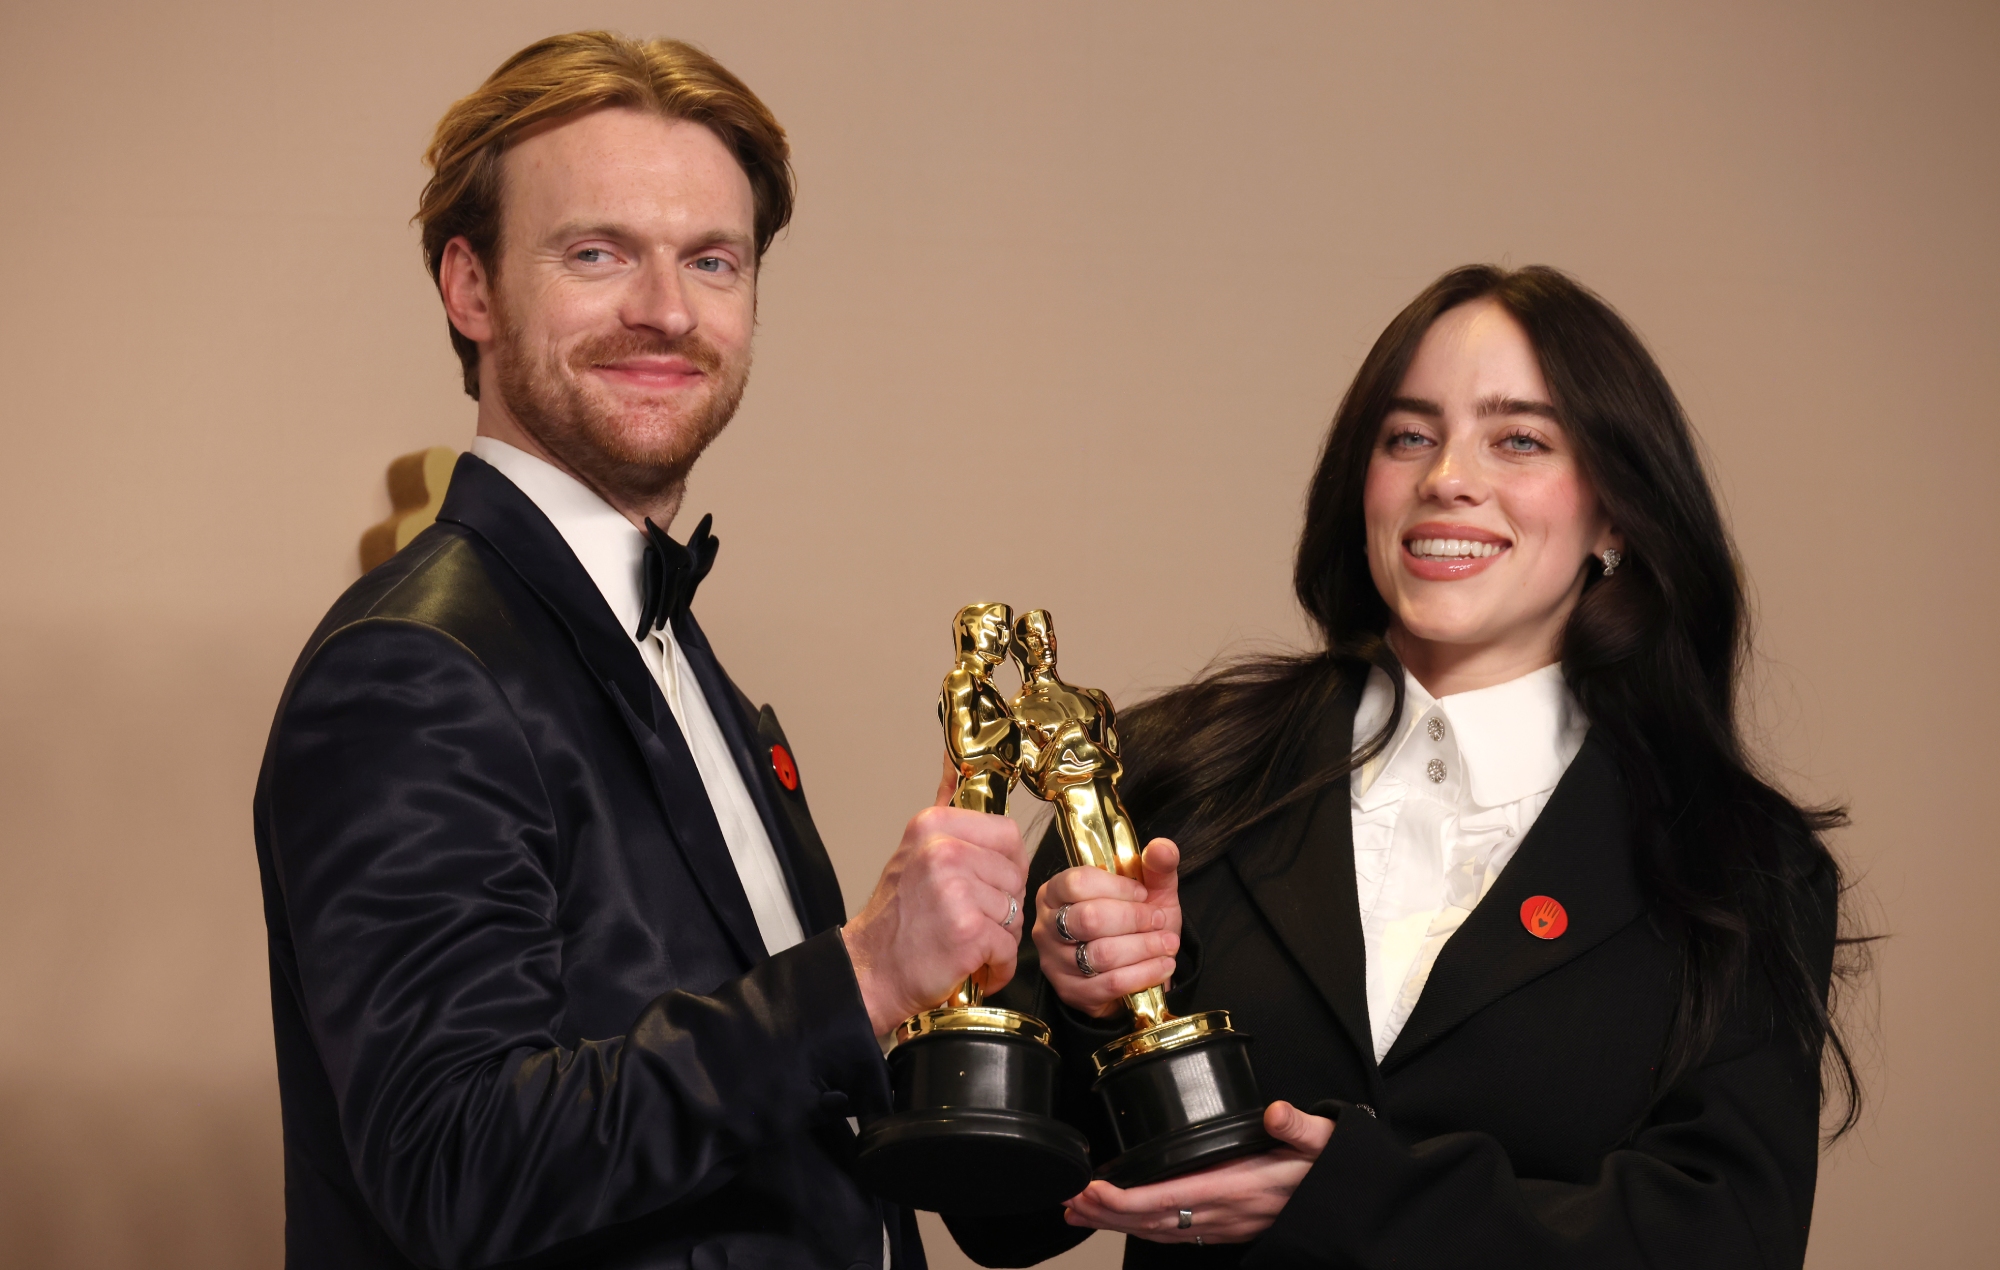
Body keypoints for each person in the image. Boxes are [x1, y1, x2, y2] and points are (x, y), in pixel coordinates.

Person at [252, 33, 1030, 1270]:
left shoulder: (666, 641)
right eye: (597, 253)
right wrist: (862, 970)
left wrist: (1034, 998)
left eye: (710, 260)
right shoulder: (410, 667)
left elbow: (800, 1114)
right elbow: (458, 1164)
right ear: (470, 289)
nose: (667, 311)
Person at [945, 265, 1859, 1268]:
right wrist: (1084, 1012)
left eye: (1518, 438)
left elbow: (1726, 1241)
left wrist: (1354, 1196)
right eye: (1408, 436)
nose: (1445, 477)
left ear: (1613, 516)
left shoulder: (1739, 859)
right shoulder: (1176, 770)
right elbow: (997, 1218)